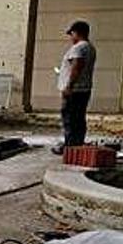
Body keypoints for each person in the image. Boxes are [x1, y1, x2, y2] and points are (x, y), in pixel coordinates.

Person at [53, 20, 97, 155]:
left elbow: (76, 68)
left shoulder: (79, 47)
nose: (71, 38)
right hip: (84, 89)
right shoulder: (90, 47)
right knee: (78, 119)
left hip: (75, 90)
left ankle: (70, 147)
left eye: (71, 34)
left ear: (76, 32)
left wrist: (68, 86)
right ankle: (76, 145)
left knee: (70, 119)